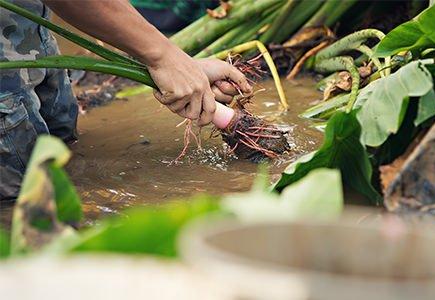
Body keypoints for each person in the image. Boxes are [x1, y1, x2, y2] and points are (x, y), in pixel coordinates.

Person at [0, 0, 252, 201]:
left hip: (24, 24)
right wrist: (163, 57)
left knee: (63, 146)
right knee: (19, 200)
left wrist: (177, 63)